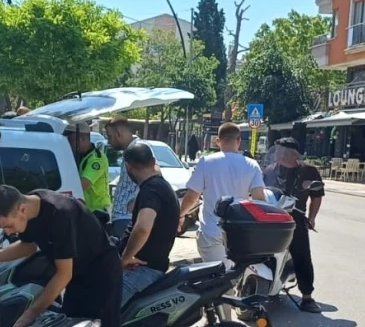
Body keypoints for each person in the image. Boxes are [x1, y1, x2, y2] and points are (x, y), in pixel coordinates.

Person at [0, 185, 120, 327]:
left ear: (22, 209)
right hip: (76, 275)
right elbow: (27, 247)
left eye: (8, 226)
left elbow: (63, 274)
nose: (8, 232)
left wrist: (30, 314)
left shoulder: (59, 214)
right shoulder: (30, 207)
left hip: (101, 272)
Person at [177, 122, 266, 263]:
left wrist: (181, 215)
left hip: (211, 231)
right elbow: (259, 199)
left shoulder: (206, 162)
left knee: (215, 272)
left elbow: (192, 196)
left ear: (218, 141)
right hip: (239, 231)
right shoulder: (251, 165)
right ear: (239, 141)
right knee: (236, 272)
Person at [264, 138, 325, 314]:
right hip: (270, 217)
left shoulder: (309, 171)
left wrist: (312, 218)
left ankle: (307, 296)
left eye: (285, 152)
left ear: (294, 155)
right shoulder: (269, 171)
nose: (280, 155)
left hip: (294, 218)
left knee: (302, 254)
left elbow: (316, 196)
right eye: (278, 151)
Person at [119, 142, 181, 305]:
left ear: (128, 167)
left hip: (142, 270)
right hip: (147, 268)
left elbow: (142, 228)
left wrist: (126, 258)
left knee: (104, 312)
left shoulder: (151, 190)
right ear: (153, 161)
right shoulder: (160, 186)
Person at [105, 116, 141, 242]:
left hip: (127, 217)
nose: (109, 141)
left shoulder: (138, 150)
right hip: (123, 216)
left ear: (118, 134)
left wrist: (137, 201)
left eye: (110, 137)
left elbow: (154, 176)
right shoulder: (131, 150)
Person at [67, 122, 112, 222]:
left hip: (98, 211)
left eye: (71, 140)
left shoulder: (97, 159)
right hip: (87, 211)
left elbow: (83, 184)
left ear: (82, 139)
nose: (68, 143)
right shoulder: (80, 156)